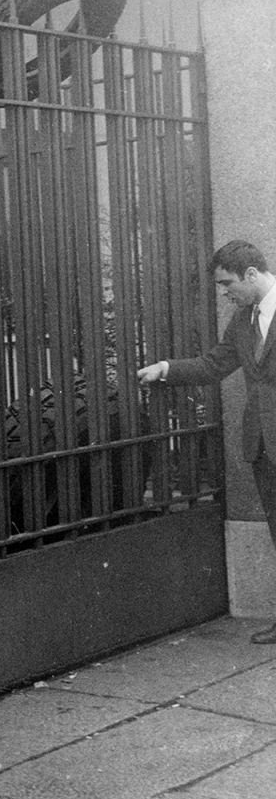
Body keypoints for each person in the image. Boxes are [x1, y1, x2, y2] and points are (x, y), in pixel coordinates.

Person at [137, 239, 276, 644]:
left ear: (251, 274)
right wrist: (165, 369)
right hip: (264, 446)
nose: (224, 293)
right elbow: (214, 365)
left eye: (227, 283)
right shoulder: (244, 320)